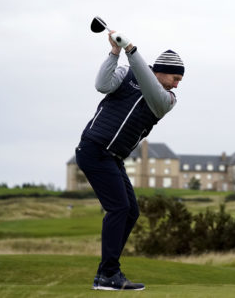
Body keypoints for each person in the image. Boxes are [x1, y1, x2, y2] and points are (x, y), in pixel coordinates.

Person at [75, 29, 184, 290]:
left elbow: (151, 89)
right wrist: (115, 52)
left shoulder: (167, 99)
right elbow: (102, 85)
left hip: (113, 157)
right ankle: (109, 274)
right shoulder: (126, 73)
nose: (177, 84)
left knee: (131, 211)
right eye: (175, 77)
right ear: (161, 70)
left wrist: (132, 50)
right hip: (94, 149)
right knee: (119, 209)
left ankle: (106, 273)